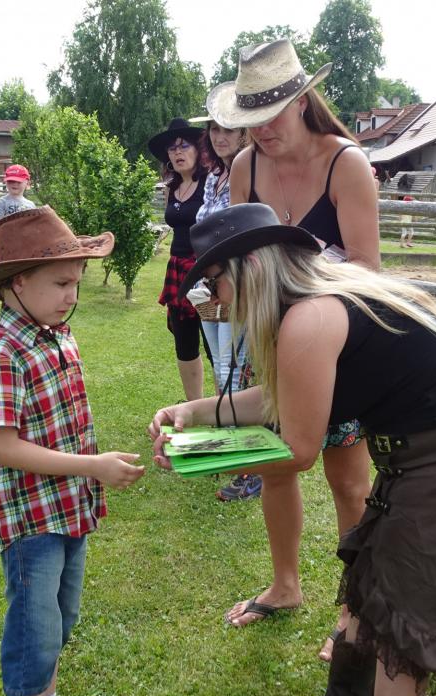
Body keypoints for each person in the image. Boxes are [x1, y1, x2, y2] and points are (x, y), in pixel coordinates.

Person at [150, 204, 436, 696]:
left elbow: (298, 451)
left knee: (406, 597)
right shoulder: (316, 303)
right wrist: (195, 412)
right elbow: (282, 397)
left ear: (251, 268)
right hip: (429, 443)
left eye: (214, 282)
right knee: (374, 571)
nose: (213, 299)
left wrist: (193, 454)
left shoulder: (309, 317)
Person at [208, 38, 380, 662]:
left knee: (348, 482)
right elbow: (243, 259)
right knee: (275, 466)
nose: (261, 131)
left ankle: (355, 610)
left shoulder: (346, 164)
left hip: (339, 342)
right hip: (271, 339)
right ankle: (285, 586)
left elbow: (367, 272)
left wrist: (301, 291)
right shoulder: (244, 168)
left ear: (303, 100)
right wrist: (224, 292)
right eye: (249, 119)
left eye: (271, 115)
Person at [0, 205, 145, 696]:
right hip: (31, 519)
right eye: (62, 283)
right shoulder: (0, 355)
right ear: (18, 282)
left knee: (61, 616)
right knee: (33, 629)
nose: (72, 296)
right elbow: (4, 448)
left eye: (77, 284)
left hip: (68, 507)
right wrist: (93, 466)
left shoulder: (57, 334)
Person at [188, 115, 261, 502]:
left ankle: (251, 469)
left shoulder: (252, 174)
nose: (219, 136)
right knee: (222, 370)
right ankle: (230, 450)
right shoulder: (214, 176)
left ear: (244, 132)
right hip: (211, 285)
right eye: (214, 129)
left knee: (238, 373)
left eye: (228, 129)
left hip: (239, 285)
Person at [149, 117, 210, 401]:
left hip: (208, 270)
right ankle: (194, 406)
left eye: (184, 145)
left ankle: (225, 407)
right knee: (184, 344)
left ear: (199, 150)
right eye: (172, 148)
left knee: (215, 343)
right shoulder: (172, 187)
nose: (177, 152)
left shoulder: (211, 184)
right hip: (177, 269)